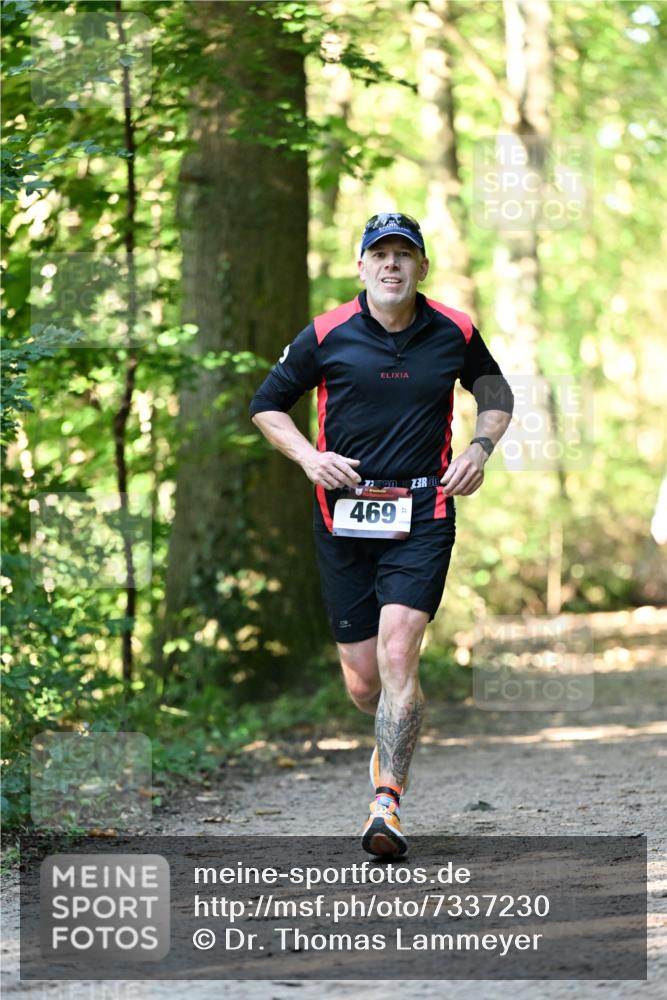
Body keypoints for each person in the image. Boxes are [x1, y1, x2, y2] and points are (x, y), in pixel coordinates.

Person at [249, 212, 513, 857]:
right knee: (364, 683)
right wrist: (309, 458)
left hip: (425, 508)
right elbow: (266, 405)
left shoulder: (454, 329)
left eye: (403, 254)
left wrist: (479, 448)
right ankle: (392, 733)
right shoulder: (326, 332)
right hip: (343, 513)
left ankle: (387, 804)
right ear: (362, 265)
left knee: (399, 654)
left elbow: (496, 391)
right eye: (380, 254)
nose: (391, 264)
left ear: (422, 266)